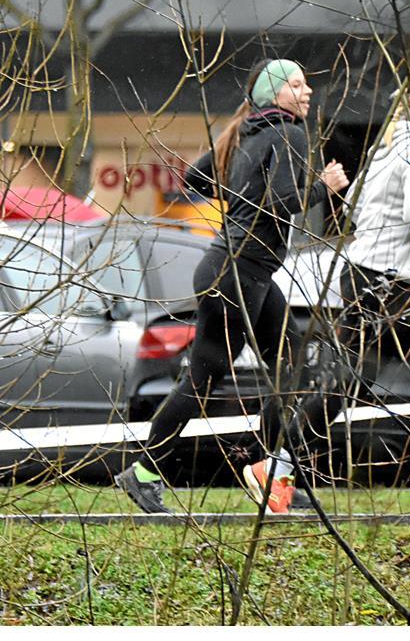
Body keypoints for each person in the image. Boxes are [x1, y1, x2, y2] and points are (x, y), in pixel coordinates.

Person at [242, 69, 410, 514]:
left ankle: (278, 467)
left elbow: (352, 205)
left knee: (365, 382)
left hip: (368, 276)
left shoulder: (390, 144)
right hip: (394, 286)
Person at [115, 58, 349, 514]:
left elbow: (198, 178)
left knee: (290, 367)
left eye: (306, 83)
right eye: (297, 85)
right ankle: (144, 472)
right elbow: (282, 203)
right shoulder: (288, 133)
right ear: (275, 94)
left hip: (245, 269)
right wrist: (323, 187)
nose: (307, 92)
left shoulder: (248, 130)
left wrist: (241, 190)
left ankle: (270, 473)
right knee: (204, 378)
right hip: (237, 271)